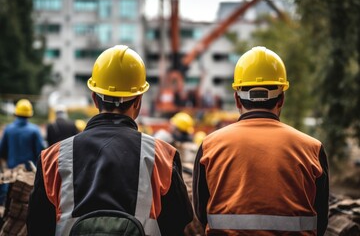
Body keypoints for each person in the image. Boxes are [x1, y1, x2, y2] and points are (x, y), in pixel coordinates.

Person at [26, 45, 193, 236]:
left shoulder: (52, 158)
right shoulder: (163, 156)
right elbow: (178, 222)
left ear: (95, 99)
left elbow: (37, 226)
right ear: (138, 101)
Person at [193, 46, 329, 235]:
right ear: (281, 99)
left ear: (237, 99)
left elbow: (201, 213)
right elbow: (321, 221)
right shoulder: (312, 149)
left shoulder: (210, 146)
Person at [0, 99, 45, 205]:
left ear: (16, 113)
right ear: (29, 114)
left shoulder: (8, 129)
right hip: (29, 177)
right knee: (27, 206)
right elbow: (42, 153)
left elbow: (2, 152)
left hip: (11, 177)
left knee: (8, 205)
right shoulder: (34, 130)